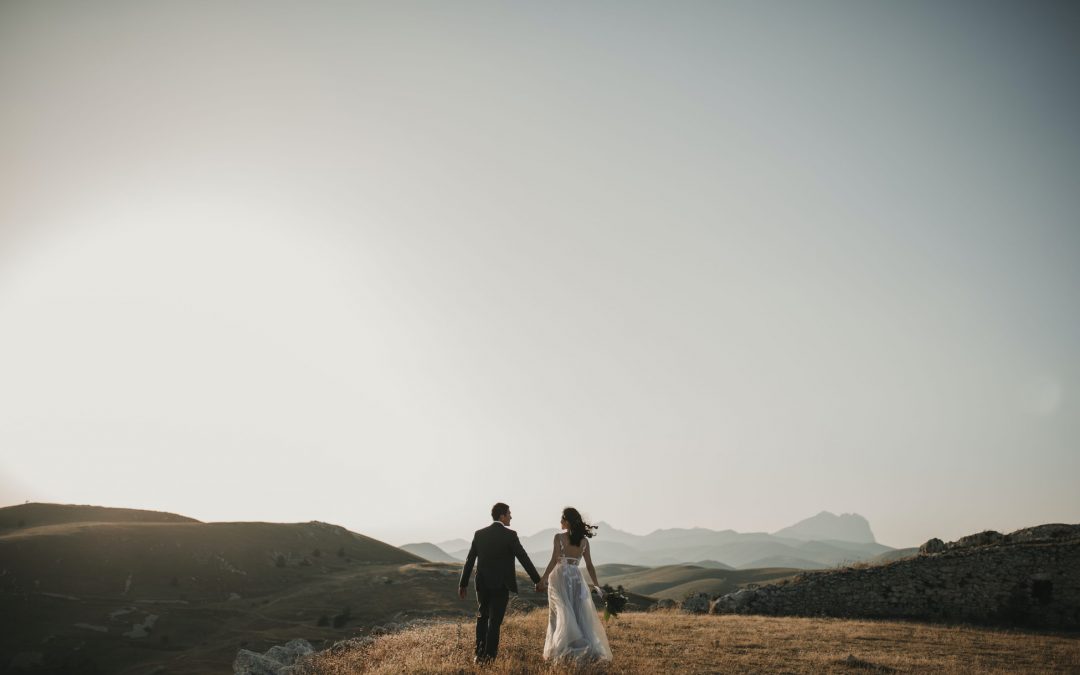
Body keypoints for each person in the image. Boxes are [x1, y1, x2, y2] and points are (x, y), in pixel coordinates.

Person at [458, 502, 543, 663]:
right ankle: (490, 657)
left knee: (482, 617)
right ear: (502, 515)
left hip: (482, 584)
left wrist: (463, 584)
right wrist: (537, 580)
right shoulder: (510, 535)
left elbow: (469, 560)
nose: (511, 516)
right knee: (495, 622)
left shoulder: (479, 534)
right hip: (501, 585)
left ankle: (479, 654)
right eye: (509, 513)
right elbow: (523, 558)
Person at [537, 507, 613, 663]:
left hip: (560, 578)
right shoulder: (584, 541)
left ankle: (562, 649)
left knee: (560, 612)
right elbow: (590, 565)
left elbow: (554, 560)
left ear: (568, 521)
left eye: (562, 519)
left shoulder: (558, 537)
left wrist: (543, 578)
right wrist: (597, 586)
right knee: (577, 613)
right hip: (576, 578)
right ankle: (580, 648)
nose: (560, 522)